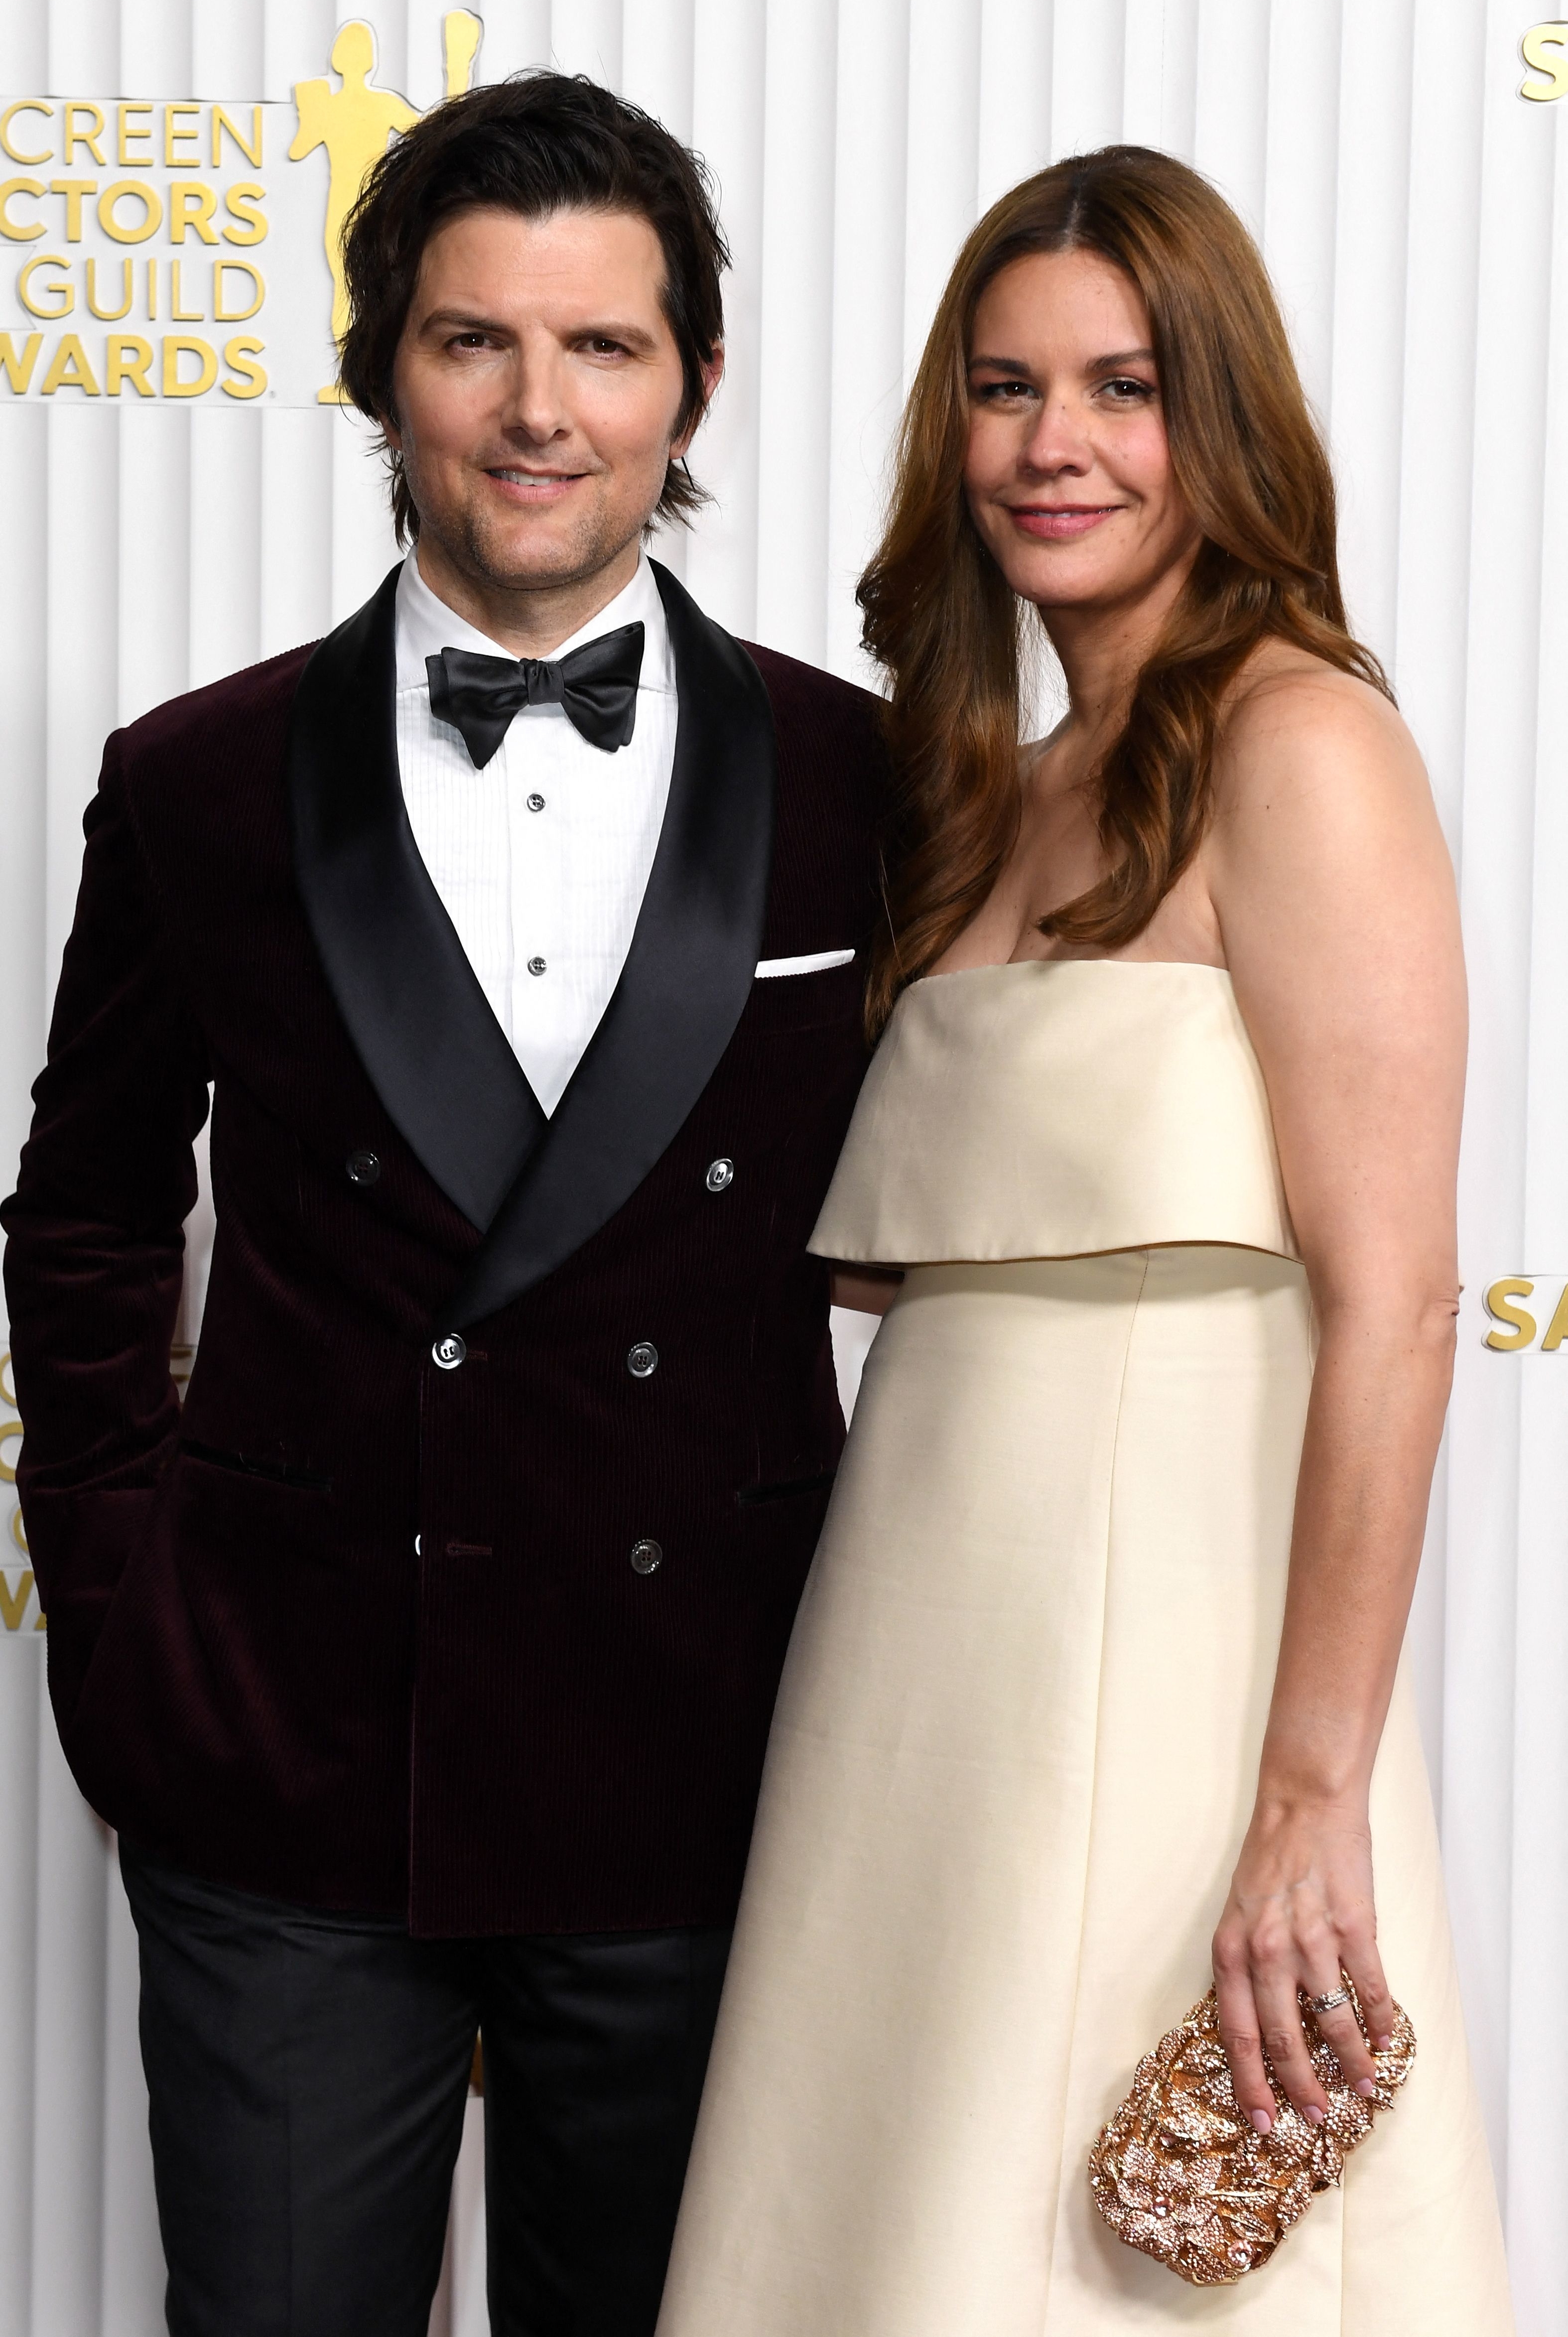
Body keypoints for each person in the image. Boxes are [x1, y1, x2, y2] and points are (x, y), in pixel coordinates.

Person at [0, 74, 885, 2337]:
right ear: (381, 363)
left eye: (603, 346)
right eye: (474, 338)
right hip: (289, 1775)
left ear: (695, 375)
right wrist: (121, 1619)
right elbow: (88, 1211)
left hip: (713, 1761)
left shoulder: (864, 775)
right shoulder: (194, 781)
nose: (538, 411)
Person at [656, 146, 1513, 2333]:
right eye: (1006, 385)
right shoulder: (987, 793)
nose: (1055, 446)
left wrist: (1311, 1781)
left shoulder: (1300, 743)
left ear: (1218, 416)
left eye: (1123, 387)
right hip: (915, 1636)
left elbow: (1395, 1298)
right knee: (889, 2212)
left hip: (1174, 1652)